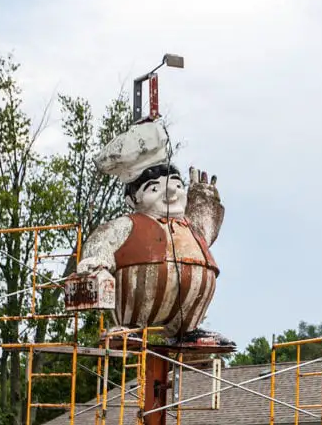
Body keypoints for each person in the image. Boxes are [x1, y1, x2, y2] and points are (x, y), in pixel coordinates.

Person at [74, 120, 233, 347]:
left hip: (187, 312)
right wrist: (96, 264)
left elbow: (206, 229)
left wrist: (205, 202)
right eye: (154, 189)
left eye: (177, 186)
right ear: (132, 199)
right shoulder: (125, 225)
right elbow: (102, 241)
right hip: (138, 306)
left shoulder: (188, 224)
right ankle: (131, 327)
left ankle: (189, 330)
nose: (171, 193)